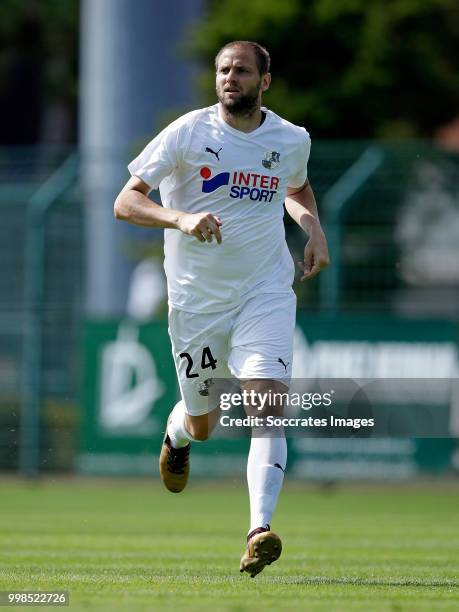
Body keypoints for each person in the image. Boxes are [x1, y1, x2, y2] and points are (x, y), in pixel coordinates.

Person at [114, 40, 330, 577]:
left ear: (265, 81)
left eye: (241, 71)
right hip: (197, 301)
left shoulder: (290, 139)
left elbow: (297, 189)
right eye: (223, 70)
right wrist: (181, 218)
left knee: (267, 406)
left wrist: (314, 232)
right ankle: (178, 434)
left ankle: (259, 530)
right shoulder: (189, 131)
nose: (230, 78)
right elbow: (127, 201)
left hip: (265, 290)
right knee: (205, 423)